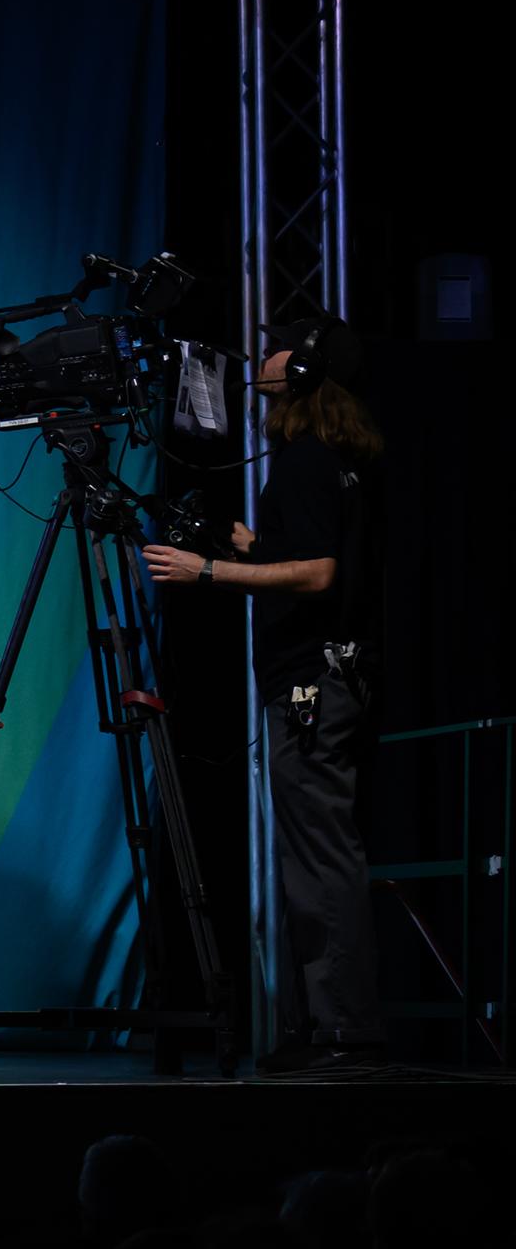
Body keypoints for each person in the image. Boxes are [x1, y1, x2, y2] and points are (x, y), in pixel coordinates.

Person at [142, 318, 381, 1072]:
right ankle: (321, 1028)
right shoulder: (332, 460)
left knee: (319, 856)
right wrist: (253, 547)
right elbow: (309, 558)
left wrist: (206, 572)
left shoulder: (307, 460)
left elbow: (318, 574)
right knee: (314, 857)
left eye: (278, 350)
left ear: (306, 374)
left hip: (313, 681)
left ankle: (344, 1032)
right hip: (323, 677)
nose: (262, 360)